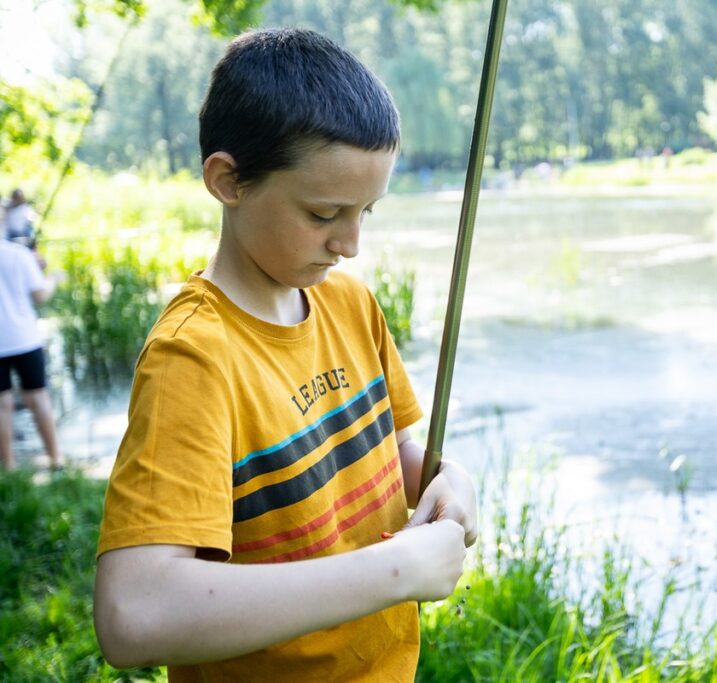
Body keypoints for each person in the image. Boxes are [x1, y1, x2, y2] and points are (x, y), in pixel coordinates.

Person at [93, 28, 477, 681]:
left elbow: (396, 455)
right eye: (325, 212)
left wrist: (451, 483)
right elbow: (134, 613)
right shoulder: (194, 357)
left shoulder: (349, 304)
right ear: (228, 179)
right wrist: (396, 572)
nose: (350, 243)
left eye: (367, 211)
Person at [0, 237, 62, 471]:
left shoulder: (22, 254)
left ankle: (9, 467)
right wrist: (52, 278)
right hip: (24, 339)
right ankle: (56, 459)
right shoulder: (18, 254)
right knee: (38, 399)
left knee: (1, 405)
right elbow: (41, 296)